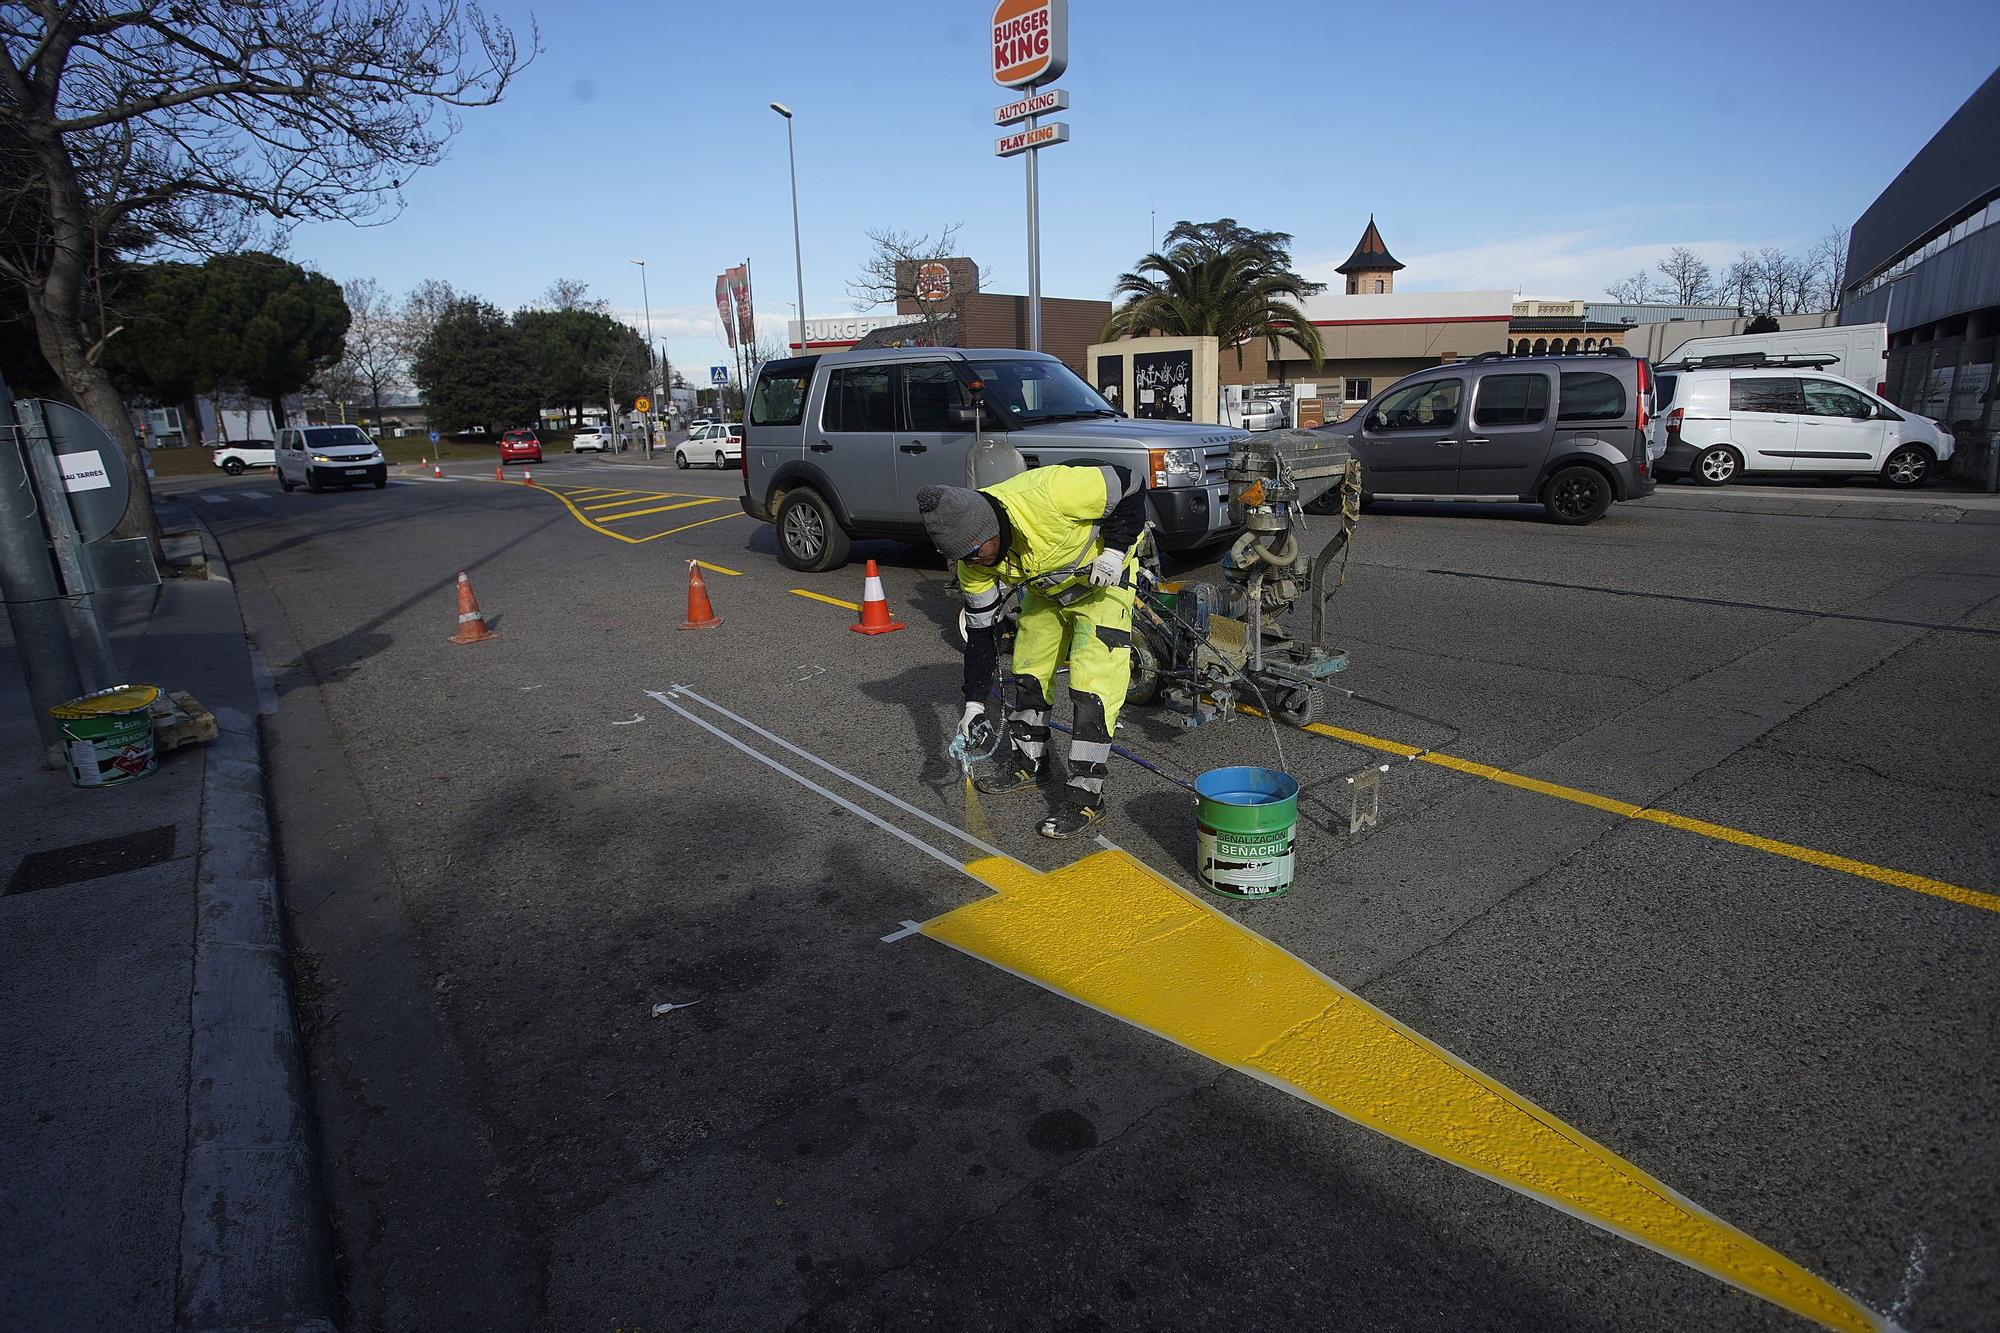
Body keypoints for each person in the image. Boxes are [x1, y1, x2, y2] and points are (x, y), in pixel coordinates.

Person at [917, 464, 1146, 839]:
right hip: (1047, 591)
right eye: (963, 559)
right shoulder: (971, 562)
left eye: (975, 553)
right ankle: (1030, 763)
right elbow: (980, 636)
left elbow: (1131, 481)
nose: (972, 563)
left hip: (1104, 583)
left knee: (1092, 690)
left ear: (991, 530)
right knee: (1027, 672)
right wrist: (973, 705)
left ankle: (1086, 795)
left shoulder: (1050, 493)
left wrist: (1115, 551)